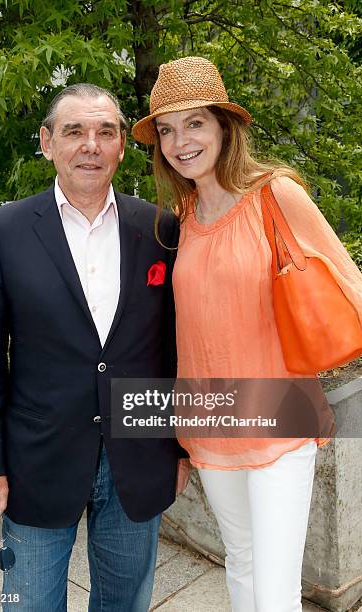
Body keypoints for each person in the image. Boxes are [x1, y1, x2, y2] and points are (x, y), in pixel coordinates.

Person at [132, 56, 362, 612]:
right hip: (210, 419)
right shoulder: (181, 216)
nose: (180, 141)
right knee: (241, 561)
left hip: (281, 416)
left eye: (195, 123)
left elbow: (349, 283)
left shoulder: (275, 195)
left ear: (223, 126)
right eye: (167, 129)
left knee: (276, 587)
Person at [0, 83, 187, 612]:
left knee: (125, 603)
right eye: (74, 131)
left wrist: (178, 445)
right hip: (36, 463)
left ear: (122, 145)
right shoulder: (2, 231)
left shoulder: (159, 228)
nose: (91, 144)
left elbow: (173, 349)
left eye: (105, 132)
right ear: (46, 142)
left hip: (139, 452)